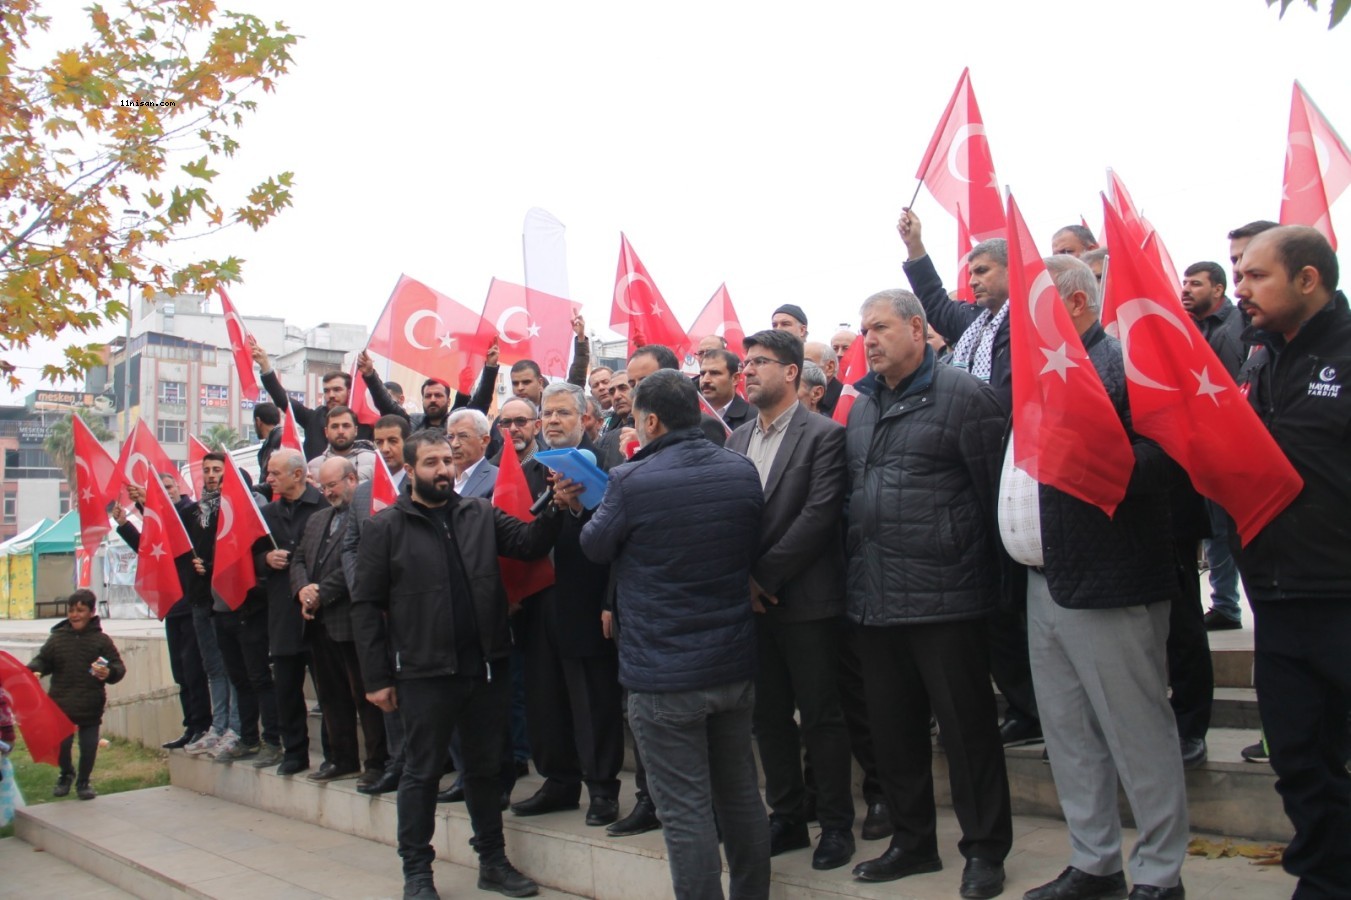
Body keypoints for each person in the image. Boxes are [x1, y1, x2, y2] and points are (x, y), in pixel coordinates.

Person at [1004, 256, 1189, 900]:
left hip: (1111, 580)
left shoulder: (1123, 367)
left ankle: (1161, 875)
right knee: (1070, 735)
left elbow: (1166, 462)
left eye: (1034, 306)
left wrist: (1090, 452)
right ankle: (1095, 863)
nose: (1018, 323)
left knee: (1137, 735)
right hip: (1042, 582)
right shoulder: (1033, 374)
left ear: (1075, 306)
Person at [351, 428, 568, 900]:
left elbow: (530, 544)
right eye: (431, 463)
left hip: (485, 668)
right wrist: (377, 678)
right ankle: (417, 872)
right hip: (424, 674)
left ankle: (492, 861)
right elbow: (365, 607)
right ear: (409, 471)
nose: (443, 470)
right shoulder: (384, 528)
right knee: (422, 773)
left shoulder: (479, 513)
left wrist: (556, 504)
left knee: (485, 770)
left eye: (447, 461)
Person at [844, 289, 1010, 899]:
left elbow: (994, 495)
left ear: (918, 328)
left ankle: (985, 850)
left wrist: (995, 594)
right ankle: (913, 844)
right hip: (875, 599)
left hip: (949, 598)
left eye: (881, 327)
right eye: (865, 330)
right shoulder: (861, 405)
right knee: (893, 735)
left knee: (968, 736)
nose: (870, 340)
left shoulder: (966, 396)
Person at [580, 369, 769, 900]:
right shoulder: (739, 470)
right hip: (730, 663)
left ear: (651, 420)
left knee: (684, 811)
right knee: (740, 797)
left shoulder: (631, 480)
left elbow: (595, 546)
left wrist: (603, 491)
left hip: (663, 677)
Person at [1234, 225, 1351, 899]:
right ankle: (1326, 880)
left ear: (1307, 279)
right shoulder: (1255, 357)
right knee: (1299, 760)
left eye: (1255, 276)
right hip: (1276, 600)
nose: (1241, 289)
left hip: (1342, 594)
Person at [897, 208, 1042, 751]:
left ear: (1015, 271)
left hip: (1014, 471)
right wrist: (916, 249)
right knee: (997, 605)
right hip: (979, 475)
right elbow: (934, 303)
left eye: (984, 270)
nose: (974, 280)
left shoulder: (1027, 324)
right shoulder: (977, 325)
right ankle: (1025, 707)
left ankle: (1038, 704)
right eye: (971, 272)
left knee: (1015, 604)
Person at [729, 329, 855, 872]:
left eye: (760, 362)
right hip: (749, 608)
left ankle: (836, 824)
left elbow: (818, 518)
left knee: (821, 716)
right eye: (746, 363)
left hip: (807, 602)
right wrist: (742, 582)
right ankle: (786, 815)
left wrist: (765, 578)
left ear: (791, 372)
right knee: (769, 717)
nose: (749, 371)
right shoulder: (734, 440)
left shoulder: (823, 435)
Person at [511, 382, 624, 828]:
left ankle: (602, 790)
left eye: (563, 413)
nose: (554, 421)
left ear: (586, 419)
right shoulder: (531, 471)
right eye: (549, 414)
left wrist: (577, 507)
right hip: (539, 601)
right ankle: (558, 781)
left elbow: (617, 535)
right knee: (544, 697)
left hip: (588, 599)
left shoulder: (608, 465)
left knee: (593, 699)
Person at [293, 457, 387, 786]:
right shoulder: (318, 519)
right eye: (322, 485)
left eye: (332, 484)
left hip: (350, 619)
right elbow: (300, 559)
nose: (327, 491)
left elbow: (358, 561)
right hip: (318, 623)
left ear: (351, 480)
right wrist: (303, 590)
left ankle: (377, 761)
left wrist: (322, 593)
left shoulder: (363, 515)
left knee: (366, 695)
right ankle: (342, 757)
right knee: (332, 696)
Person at [111, 475, 210, 751]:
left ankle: (202, 723)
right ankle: (191, 724)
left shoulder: (191, 512)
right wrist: (125, 524)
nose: (165, 494)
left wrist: (148, 504)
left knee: (194, 669)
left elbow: (174, 526)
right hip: (172, 605)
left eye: (168, 488)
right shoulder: (158, 517)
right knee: (180, 671)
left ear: (179, 488)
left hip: (192, 602)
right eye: (160, 490)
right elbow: (148, 549)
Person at [343, 414, 410, 796]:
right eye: (379, 441)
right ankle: (397, 762)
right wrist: (364, 589)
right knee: (385, 688)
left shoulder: (420, 485)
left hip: (412, 608)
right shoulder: (364, 493)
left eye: (393, 441)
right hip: (376, 612)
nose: (385, 449)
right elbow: (351, 545)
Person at [256, 449, 326, 776]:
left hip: (322, 612)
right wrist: (266, 560)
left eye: (275, 473)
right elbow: (251, 557)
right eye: (268, 473)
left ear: (297, 475)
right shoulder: (267, 514)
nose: (268, 479)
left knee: (330, 692)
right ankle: (294, 753)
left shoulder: (323, 506)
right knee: (286, 688)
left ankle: (337, 754)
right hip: (282, 612)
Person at [27, 590, 126, 801]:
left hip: (90, 704)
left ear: (91, 612)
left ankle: (84, 782)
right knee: (62, 746)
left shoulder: (101, 641)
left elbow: (118, 666)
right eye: (71, 610)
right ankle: (66, 774)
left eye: (80, 610)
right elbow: (43, 660)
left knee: (88, 747)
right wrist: (34, 670)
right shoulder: (57, 638)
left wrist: (109, 672)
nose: (74, 615)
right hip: (60, 704)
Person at [358, 346, 500, 432]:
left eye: (438, 395)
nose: (432, 399)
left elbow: (481, 402)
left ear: (448, 401)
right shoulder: (411, 423)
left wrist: (490, 368)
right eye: (428, 396)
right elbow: (386, 404)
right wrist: (370, 375)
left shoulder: (459, 423)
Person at [306, 405, 379, 483]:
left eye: (346, 426)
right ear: (326, 432)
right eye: (335, 426)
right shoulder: (312, 467)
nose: (340, 431)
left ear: (355, 430)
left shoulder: (374, 462)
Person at [699, 348, 754, 430]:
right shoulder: (689, 416)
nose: (705, 380)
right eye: (702, 374)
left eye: (715, 373)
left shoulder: (753, 419)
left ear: (735, 378)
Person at [447, 409, 497, 498]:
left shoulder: (498, 479)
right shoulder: (442, 476)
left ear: (484, 441)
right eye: (450, 437)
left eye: (463, 436)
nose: (454, 444)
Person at [803, 342, 843, 416]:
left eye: (807, 363)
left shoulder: (845, 401)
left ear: (829, 367)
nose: (799, 369)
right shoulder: (798, 395)